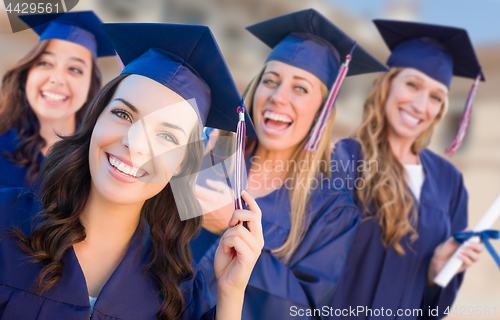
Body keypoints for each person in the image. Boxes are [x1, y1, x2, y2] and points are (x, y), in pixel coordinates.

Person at [0, 23, 264, 320]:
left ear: (182, 165)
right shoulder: (5, 220)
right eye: (123, 114)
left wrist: (231, 294)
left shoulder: (180, 292)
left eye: (167, 136)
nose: (135, 144)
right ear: (96, 119)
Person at [190, 9, 387, 319]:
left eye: (300, 88)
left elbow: (304, 308)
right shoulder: (211, 155)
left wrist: (230, 228)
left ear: (322, 112)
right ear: (255, 91)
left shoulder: (332, 211)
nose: (278, 97)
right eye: (271, 81)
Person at [328, 20, 485, 319]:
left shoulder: (449, 183)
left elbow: (434, 304)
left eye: (436, 97)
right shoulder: (343, 159)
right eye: (412, 84)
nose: (420, 104)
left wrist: (436, 272)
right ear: (387, 83)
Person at [0, 11, 115, 189]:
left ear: (90, 88)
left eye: (75, 69)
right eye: (45, 63)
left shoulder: (96, 162)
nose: (57, 78)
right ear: (27, 74)